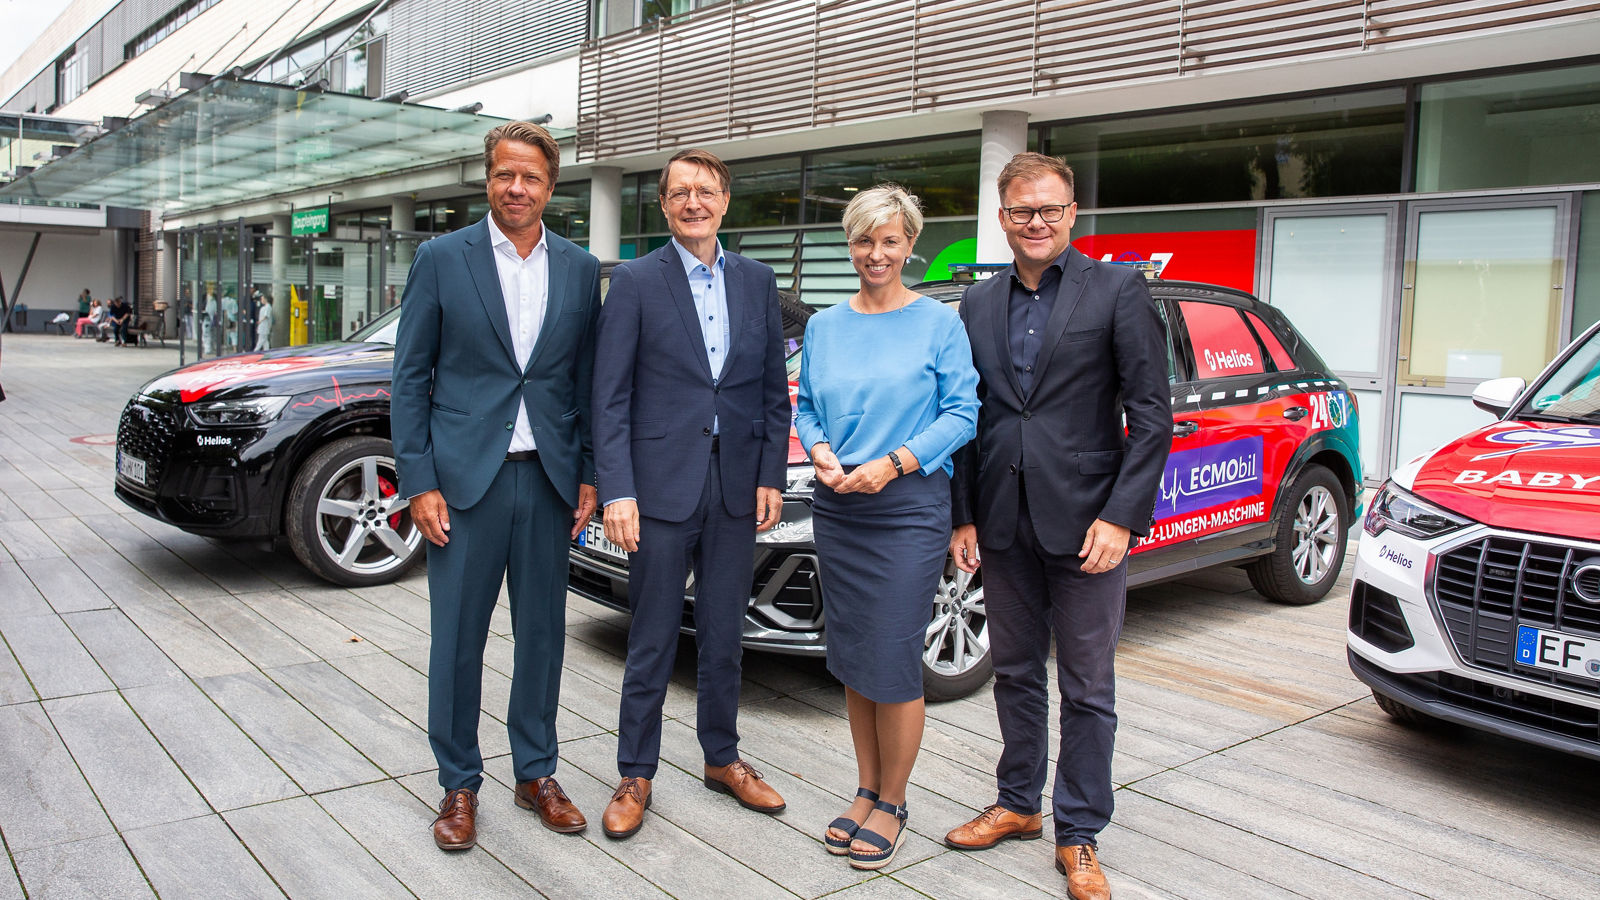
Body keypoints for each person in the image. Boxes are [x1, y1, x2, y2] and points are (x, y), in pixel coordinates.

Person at [942, 153, 1170, 900]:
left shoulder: (1119, 289)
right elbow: (972, 419)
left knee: (1087, 687)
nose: (1034, 222)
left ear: (1072, 214)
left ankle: (1078, 832)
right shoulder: (977, 303)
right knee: (1012, 675)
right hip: (1003, 523)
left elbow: (1153, 419)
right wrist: (965, 515)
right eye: (1019, 211)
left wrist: (1120, 518)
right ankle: (1016, 804)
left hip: (1088, 528)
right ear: (1002, 218)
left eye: (1047, 209)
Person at [391, 121, 601, 852]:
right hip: (463, 485)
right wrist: (418, 480)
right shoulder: (442, 258)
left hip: (547, 481)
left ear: (551, 186)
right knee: (457, 640)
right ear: (489, 179)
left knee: (542, 636)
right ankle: (457, 783)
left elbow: (587, 381)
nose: (518, 188)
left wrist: (591, 475)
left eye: (532, 178)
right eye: (506, 174)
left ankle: (535, 771)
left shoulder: (578, 267)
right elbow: (409, 378)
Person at [590, 148, 792, 840]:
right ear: (665, 205)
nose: (693, 202)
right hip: (657, 488)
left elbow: (770, 393)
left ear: (725, 201)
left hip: (737, 486)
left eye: (705, 191)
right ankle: (635, 771)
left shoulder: (758, 282)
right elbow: (609, 397)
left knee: (724, 636)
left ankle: (722, 758)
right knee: (649, 637)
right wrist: (617, 488)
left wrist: (770, 474)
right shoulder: (638, 282)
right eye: (679, 193)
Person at [795, 185, 978, 870]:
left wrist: (894, 465)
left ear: (910, 245)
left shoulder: (938, 324)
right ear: (851, 244)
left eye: (891, 240)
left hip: (906, 509)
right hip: (840, 508)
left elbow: (963, 415)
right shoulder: (825, 326)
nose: (877, 253)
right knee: (851, 656)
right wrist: (818, 450)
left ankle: (894, 801)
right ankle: (865, 787)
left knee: (895, 658)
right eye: (865, 240)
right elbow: (808, 406)